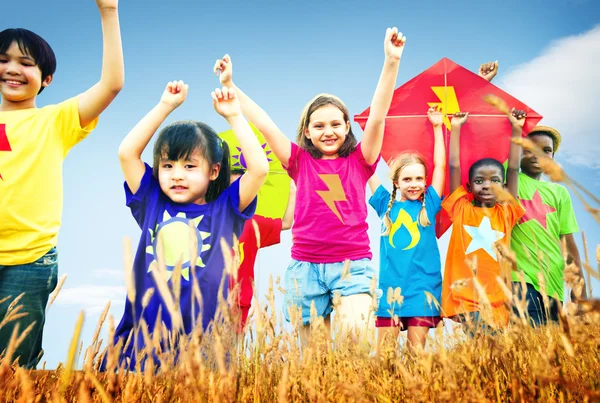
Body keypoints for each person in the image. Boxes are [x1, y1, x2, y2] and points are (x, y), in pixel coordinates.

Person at [213, 27, 406, 339]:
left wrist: (391, 62)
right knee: (312, 365)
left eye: (335, 124)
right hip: (306, 269)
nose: (327, 131)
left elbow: (378, 117)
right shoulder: (298, 162)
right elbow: (264, 123)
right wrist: (231, 87)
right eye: (319, 126)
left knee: (355, 342)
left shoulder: (360, 161)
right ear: (306, 131)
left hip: (352, 266)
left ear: (347, 127)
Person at [0, 0, 124, 368]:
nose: (12, 69)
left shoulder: (54, 122)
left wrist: (108, 11)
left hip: (27, 261)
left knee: (12, 368)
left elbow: (112, 84)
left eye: (26, 63)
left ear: (46, 78)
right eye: (4, 60)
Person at [112, 81, 268, 369]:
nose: (177, 175)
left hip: (206, 341)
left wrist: (233, 115)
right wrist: (165, 107)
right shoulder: (151, 201)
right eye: (168, 165)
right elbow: (127, 153)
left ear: (214, 170)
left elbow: (259, 169)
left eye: (189, 166)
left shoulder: (226, 210)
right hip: (148, 336)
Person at [441, 109, 526, 334]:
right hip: (466, 296)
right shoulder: (461, 209)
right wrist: (456, 127)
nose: (487, 185)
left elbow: (515, 169)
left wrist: (517, 128)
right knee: (479, 341)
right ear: (469, 187)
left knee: (496, 354)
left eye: (495, 181)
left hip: (499, 298)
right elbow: (454, 167)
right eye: (479, 181)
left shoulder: (506, 212)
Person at [367, 107, 445, 351]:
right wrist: (372, 130)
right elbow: (366, 165)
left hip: (423, 289)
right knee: (384, 357)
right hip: (390, 289)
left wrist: (437, 127)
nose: (414, 184)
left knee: (415, 356)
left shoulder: (429, 204)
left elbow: (441, 165)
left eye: (419, 179)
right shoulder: (384, 204)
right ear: (396, 182)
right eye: (407, 179)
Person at [511, 125, 587, 325]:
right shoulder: (509, 181)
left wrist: (580, 288)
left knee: (547, 347)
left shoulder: (559, 194)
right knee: (527, 342)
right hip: (521, 280)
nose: (538, 155)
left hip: (554, 284)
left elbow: (569, 244)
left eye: (546, 151)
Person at [228, 171, 296, 330]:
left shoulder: (252, 224)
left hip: (239, 302)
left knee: (230, 351)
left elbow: (286, 223)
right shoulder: (209, 219)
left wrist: (293, 191)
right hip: (208, 300)